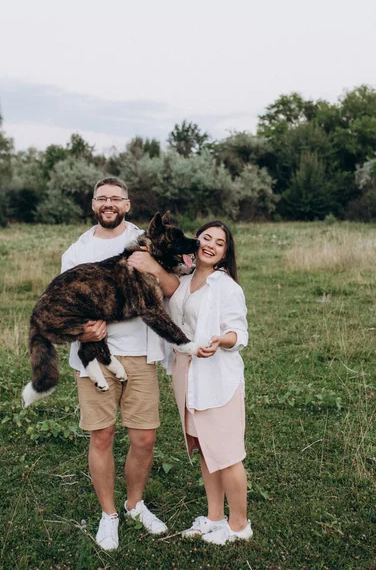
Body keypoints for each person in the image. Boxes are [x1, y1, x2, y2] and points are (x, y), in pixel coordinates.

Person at [61, 176, 179, 551]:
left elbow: (174, 288)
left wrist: (153, 267)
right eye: (102, 198)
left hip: (142, 353)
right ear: (93, 204)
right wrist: (83, 331)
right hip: (95, 356)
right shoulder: (76, 252)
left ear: (127, 205)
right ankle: (109, 514)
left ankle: (135, 504)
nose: (108, 203)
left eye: (116, 198)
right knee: (103, 435)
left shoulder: (149, 242)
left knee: (144, 437)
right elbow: (61, 304)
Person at [166, 220, 253, 545]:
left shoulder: (226, 286)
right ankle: (215, 517)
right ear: (196, 241)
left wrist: (221, 341)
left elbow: (239, 332)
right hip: (187, 375)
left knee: (227, 453)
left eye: (219, 242)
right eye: (206, 238)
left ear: (225, 253)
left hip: (216, 378)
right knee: (206, 450)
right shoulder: (185, 280)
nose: (211, 245)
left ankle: (239, 524)